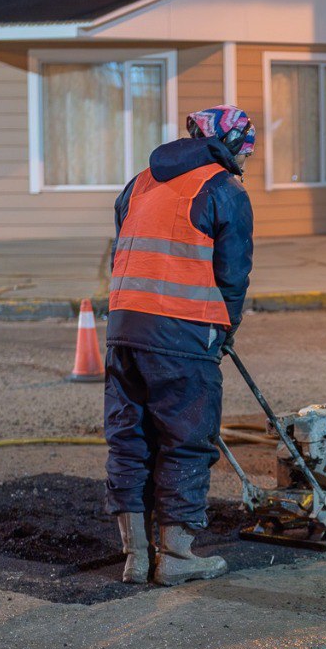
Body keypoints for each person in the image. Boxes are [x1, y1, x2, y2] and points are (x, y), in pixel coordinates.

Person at [105, 105, 255, 585]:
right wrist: (223, 331)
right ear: (230, 145)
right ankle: (176, 556)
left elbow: (125, 249)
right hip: (183, 333)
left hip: (125, 330)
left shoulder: (140, 183)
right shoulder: (223, 190)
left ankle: (136, 558)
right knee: (186, 440)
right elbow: (233, 276)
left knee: (130, 438)